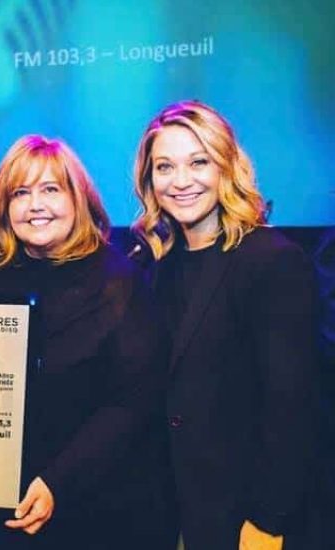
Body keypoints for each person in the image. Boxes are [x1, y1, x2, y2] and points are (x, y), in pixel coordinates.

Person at [0, 135, 177, 548]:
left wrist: (57, 482)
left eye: (51, 189)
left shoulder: (119, 281)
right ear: (4, 206)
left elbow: (131, 403)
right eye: (21, 193)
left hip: (94, 503)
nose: (35, 205)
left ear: (78, 198)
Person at [131, 100, 320, 549]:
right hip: (172, 509)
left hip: (246, 515)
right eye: (164, 167)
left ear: (226, 167)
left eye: (198, 162)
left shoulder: (271, 261)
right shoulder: (154, 264)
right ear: (149, 180)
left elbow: (293, 407)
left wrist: (269, 520)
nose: (181, 181)